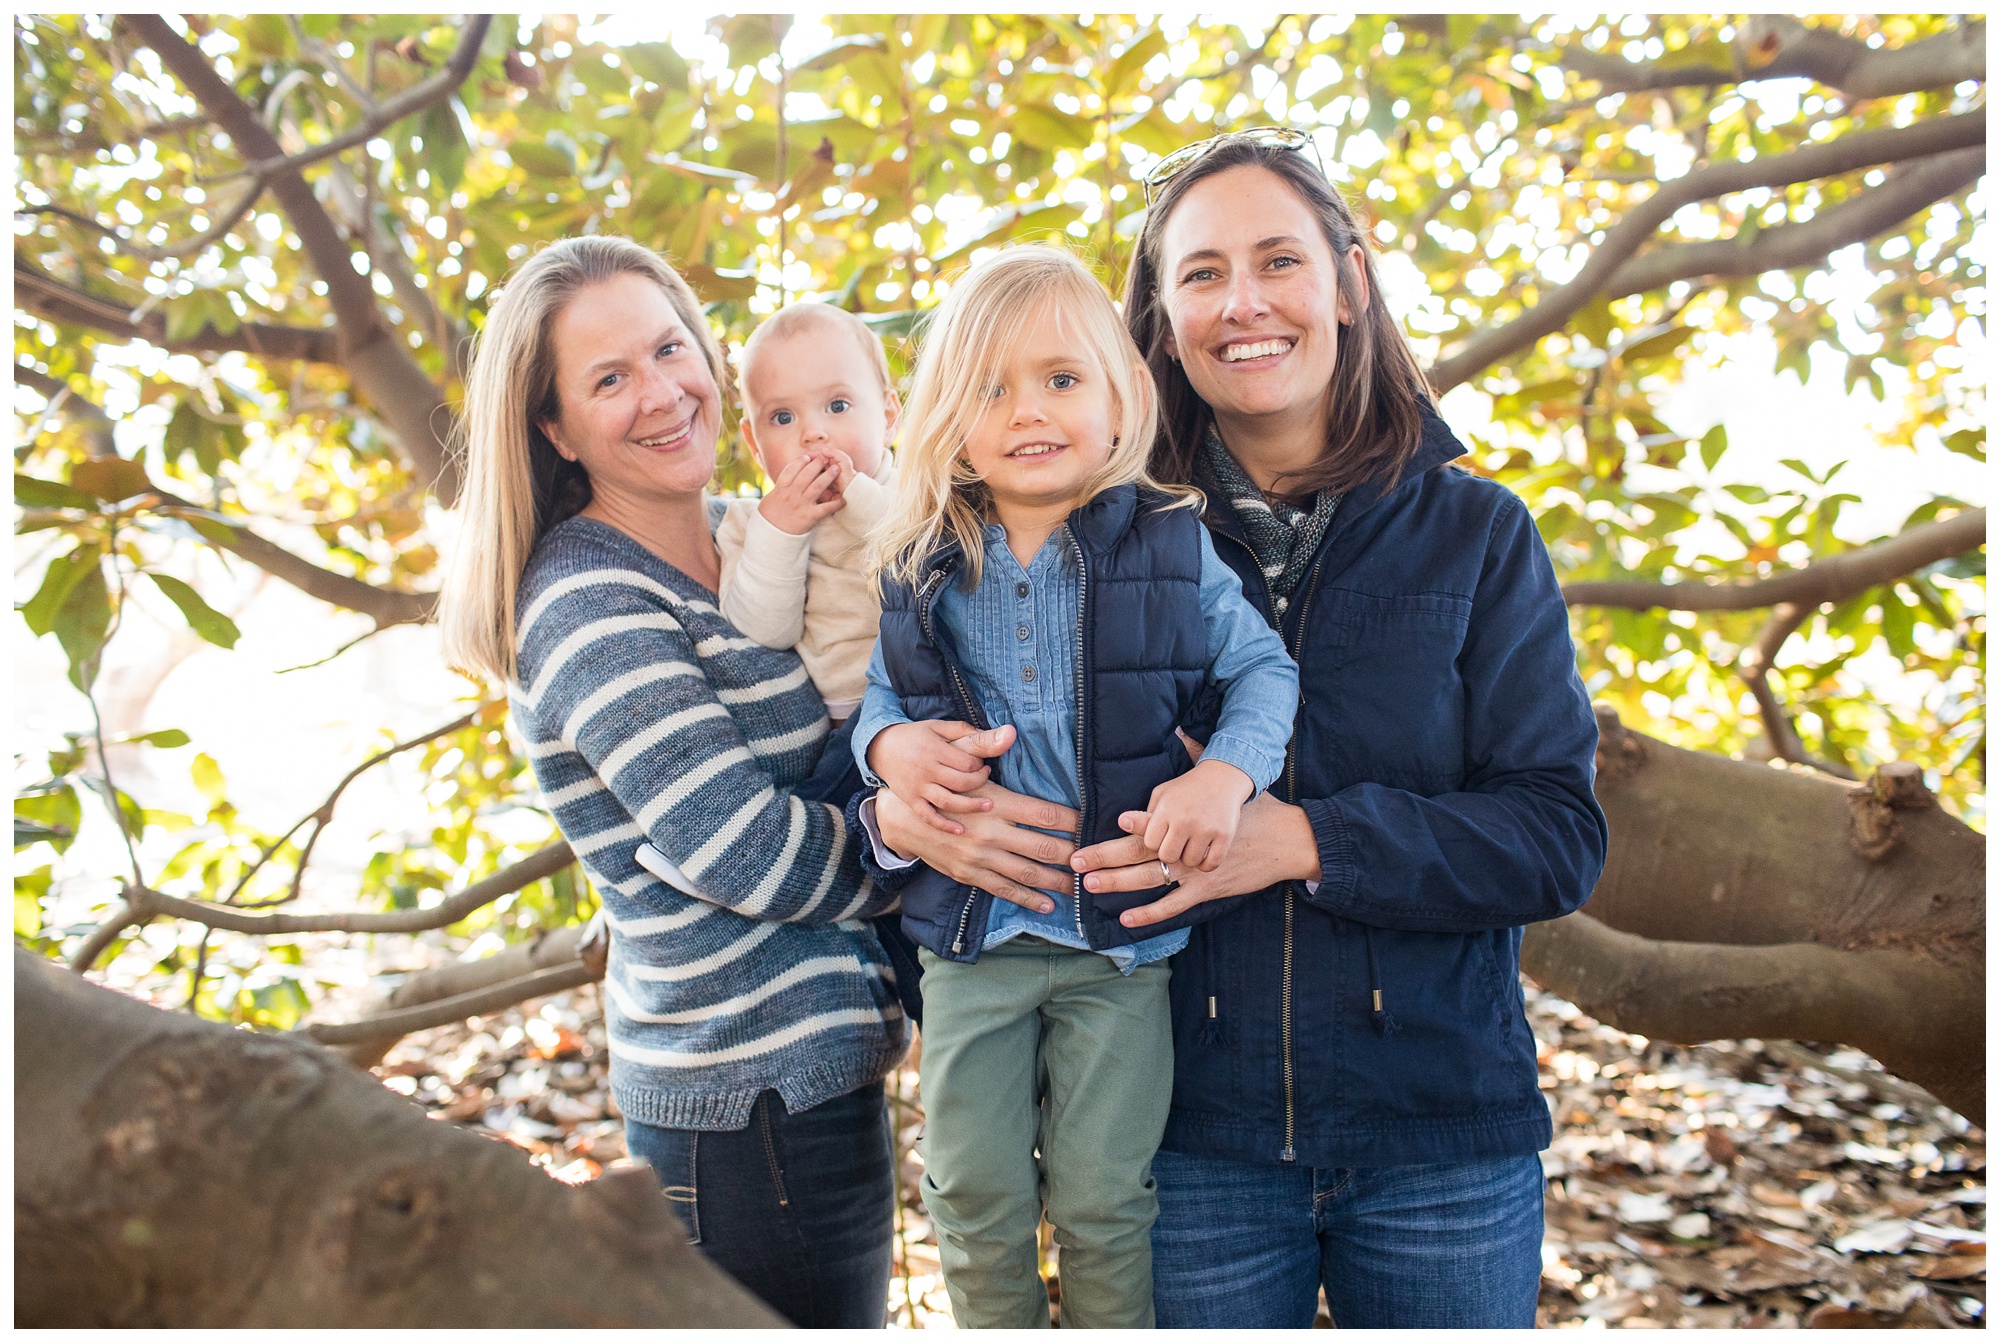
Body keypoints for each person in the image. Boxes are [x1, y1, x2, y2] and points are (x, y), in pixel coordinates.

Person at [864, 131, 1608, 1328]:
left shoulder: (1475, 534)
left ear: (1348, 284)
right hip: (1190, 1139)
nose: (1243, 302)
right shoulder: (1085, 528)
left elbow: (1554, 837)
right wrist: (897, 805)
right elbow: (910, 701)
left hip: (1437, 1132)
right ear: (1156, 319)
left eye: (1278, 260)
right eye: (1201, 273)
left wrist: (1300, 837)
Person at [436, 236, 913, 1328]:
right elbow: (741, 848)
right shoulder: (587, 601)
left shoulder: (746, 538)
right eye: (609, 378)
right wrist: (934, 846)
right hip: (742, 1111)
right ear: (552, 427)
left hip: (817, 1073)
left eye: (670, 349)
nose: (661, 393)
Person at [852, 244, 1299, 1328]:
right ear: (948, 419)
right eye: (989, 388)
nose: (1027, 410)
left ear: (1120, 400)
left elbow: (1262, 672)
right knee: (970, 1190)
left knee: (1103, 1196)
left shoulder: (1169, 547)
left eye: (1060, 378)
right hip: (970, 940)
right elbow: (877, 701)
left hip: (1116, 946)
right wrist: (889, 755)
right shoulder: (923, 563)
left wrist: (1226, 782)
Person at [716, 301, 901, 724]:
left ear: (889, 416)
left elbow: (920, 550)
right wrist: (781, 531)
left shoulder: (917, 490)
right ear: (753, 443)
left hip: (946, 694)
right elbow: (767, 632)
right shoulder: (749, 526)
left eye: (837, 406)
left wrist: (858, 495)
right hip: (846, 723)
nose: (812, 433)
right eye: (782, 417)